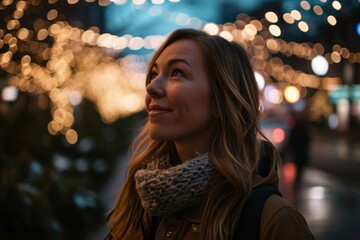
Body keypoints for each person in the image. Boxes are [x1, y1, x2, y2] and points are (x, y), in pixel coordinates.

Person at [106, 28, 314, 239]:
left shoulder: (273, 220)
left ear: (220, 101)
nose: (151, 87)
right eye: (153, 74)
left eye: (177, 73)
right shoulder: (138, 200)